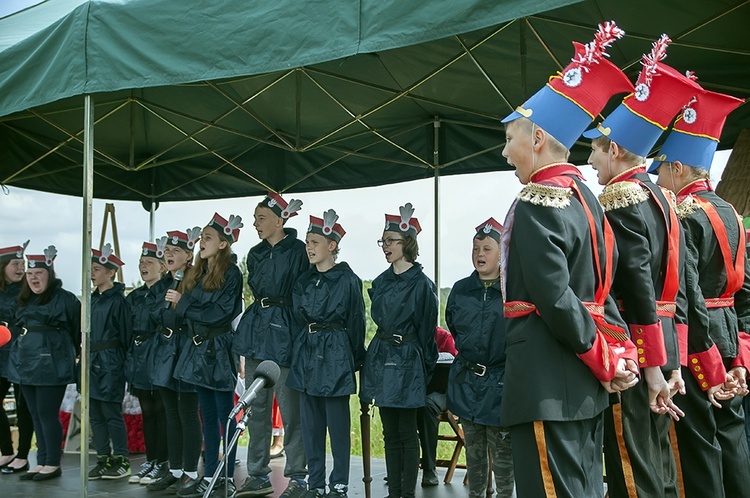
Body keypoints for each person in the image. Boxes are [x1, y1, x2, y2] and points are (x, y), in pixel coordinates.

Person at [498, 22, 640, 498]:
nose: (505, 152)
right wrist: (618, 351)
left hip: (546, 383)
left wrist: (603, 358)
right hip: (582, 385)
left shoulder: (539, 200)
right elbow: (605, 291)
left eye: (511, 138)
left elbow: (555, 297)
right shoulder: (588, 198)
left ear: (537, 138)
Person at [582, 35, 702, 497]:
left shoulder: (620, 198)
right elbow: (683, 287)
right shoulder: (663, 197)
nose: (590, 160)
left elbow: (632, 285)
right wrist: (673, 357)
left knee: (633, 467)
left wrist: (650, 363)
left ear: (614, 150)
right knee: (659, 464)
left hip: (635, 347)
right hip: (665, 342)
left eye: (595, 149)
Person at [652, 86, 750, 497]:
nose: (657, 178)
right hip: (729, 337)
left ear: (677, 167)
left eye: (661, 169)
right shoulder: (732, 214)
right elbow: (745, 293)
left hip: (696, 341)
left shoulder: (681, 216)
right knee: (732, 439)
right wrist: (742, 356)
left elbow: (686, 296)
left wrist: (706, 364)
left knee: (698, 447)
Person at [360, 203, 438, 498]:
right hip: (382, 358)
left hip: (408, 361)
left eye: (390, 241)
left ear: (407, 242)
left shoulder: (422, 286)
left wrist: (422, 367)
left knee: (407, 431)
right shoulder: (380, 282)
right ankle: (394, 492)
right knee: (389, 432)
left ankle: (407, 492)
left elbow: (427, 333)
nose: (385, 246)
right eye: (383, 241)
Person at [234, 192, 308, 498]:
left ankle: (298, 477)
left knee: (291, 412)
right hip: (256, 332)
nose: (255, 223)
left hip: (286, 333)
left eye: (261, 218)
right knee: (256, 410)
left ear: (280, 220)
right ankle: (257, 474)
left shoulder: (299, 251)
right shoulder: (254, 253)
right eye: (254, 218)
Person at [287, 209, 366, 498]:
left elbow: (357, 321)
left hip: (335, 356)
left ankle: (339, 485)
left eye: (314, 242)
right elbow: (297, 319)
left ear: (331, 245)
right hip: (307, 354)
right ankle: (316, 483)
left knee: (338, 426)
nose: (308, 247)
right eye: (307, 242)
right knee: (311, 426)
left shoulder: (347, 280)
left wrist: (354, 359)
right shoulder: (303, 281)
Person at [170, 213, 244, 497]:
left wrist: (184, 303)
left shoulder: (232, 274)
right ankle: (211, 473)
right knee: (208, 416)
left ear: (223, 244)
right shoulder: (197, 273)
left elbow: (219, 313)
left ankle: (225, 478)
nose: (202, 241)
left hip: (218, 350)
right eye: (201, 236)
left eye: (208, 237)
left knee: (226, 416)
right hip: (199, 352)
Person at [445, 218, 514, 498]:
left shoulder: (512, 290)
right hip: (468, 384)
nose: (480, 255)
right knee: (474, 458)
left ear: (502, 253)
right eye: (476, 248)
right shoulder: (461, 290)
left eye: (487, 248)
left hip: (501, 385)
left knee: (504, 459)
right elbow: (453, 327)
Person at [7, 245, 80, 482]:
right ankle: (41, 461)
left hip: (51, 363)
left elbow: (77, 330)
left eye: (38, 273)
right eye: (30, 274)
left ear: (50, 273)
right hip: (24, 362)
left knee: (47, 413)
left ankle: (52, 462)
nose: (33, 278)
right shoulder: (23, 299)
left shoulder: (65, 299)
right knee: (35, 413)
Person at [147, 228, 204, 493]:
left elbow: (198, 314)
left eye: (176, 251)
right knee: (170, 413)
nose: (170, 255)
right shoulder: (163, 284)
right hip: (165, 351)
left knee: (188, 414)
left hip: (186, 350)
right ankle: (175, 469)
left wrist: (182, 303)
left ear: (189, 255)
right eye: (167, 251)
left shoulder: (198, 280)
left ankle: (191, 472)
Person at [125, 239, 170, 485]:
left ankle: (164, 461)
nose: (144, 267)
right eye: (141, 262)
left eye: (149, 262)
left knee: (162, 410)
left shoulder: (167, 290)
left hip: (160, 353)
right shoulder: (135, 297)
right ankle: (152, 460)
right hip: (140, 356)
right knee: (148, 411)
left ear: (162, 266)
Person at [86, 244, 132, 480]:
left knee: (111, 412)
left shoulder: (118, 301)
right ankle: (103, 457)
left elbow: (125, 336)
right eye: (91, 269)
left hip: (110, 362)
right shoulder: (92, 299)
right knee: (95, 413)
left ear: (110, 272)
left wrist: (120, 364)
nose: (92, 273)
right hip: (92, 360)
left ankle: (121, 458)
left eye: (96, 269)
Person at [0, 241, 33, 474]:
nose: (20, 268)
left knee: (24, 407)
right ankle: (6, 450)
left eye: (22, 263)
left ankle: (22, 455)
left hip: (22, 353)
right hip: (1, 352)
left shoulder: (29, 291)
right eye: (15, 263)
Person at [416, 325, 456, 487]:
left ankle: (429, 469)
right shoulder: (412, 334)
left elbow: (455, 367)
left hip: (443, 390)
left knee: (426, 406)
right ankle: (401, 469)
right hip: (417, 389)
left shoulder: (444, 337)